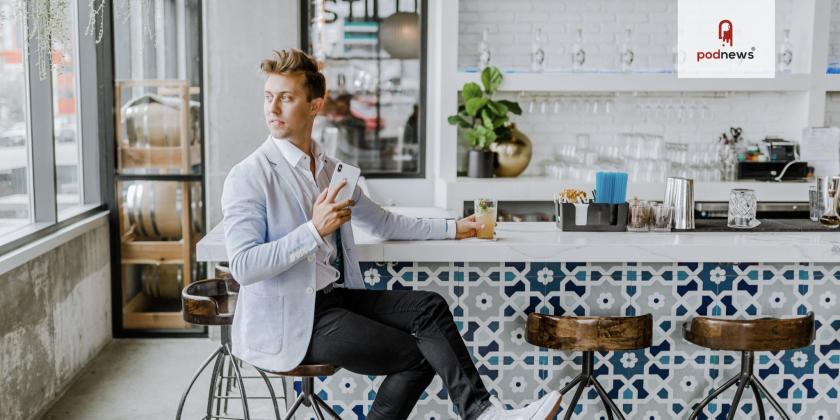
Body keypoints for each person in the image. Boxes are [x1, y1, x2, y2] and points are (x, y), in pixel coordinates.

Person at [221, 48, 561, 420]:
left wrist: (453, 228)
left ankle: (483, 413)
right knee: (419, 356)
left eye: (286, 98)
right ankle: (483, 415)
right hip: (293, 320)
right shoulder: (249, 175)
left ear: (315, 106)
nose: (273, 108)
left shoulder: (331, 170)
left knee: (429, 308)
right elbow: (243, 266)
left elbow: (382, 223)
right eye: (269, 97)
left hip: (334, 299)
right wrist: (314, 230)